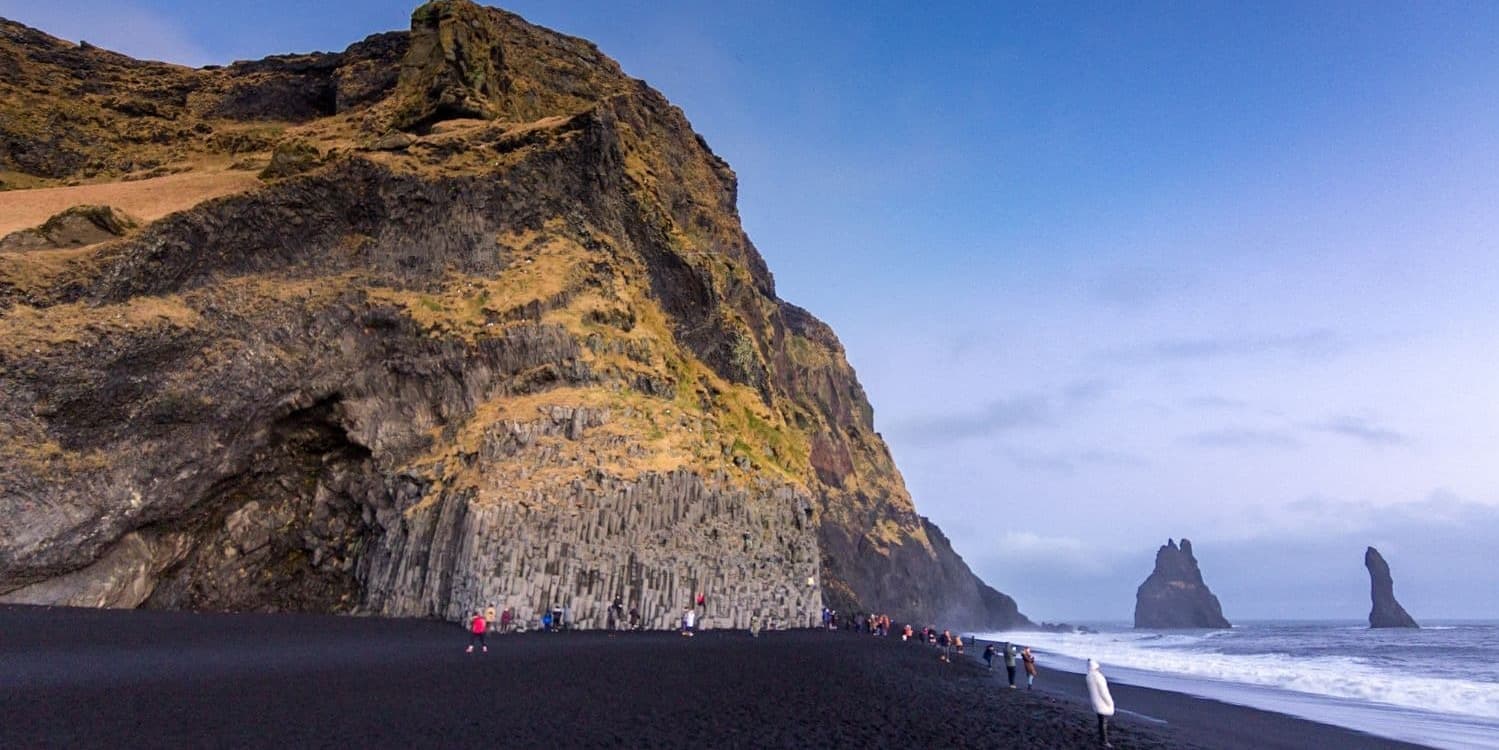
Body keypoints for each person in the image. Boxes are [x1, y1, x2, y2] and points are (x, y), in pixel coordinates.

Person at [1087, 659, 1116, 748]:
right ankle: (1104, 741)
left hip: (1096, 702)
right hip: (1102, 703)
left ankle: (1102, 739)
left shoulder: (1089, 676)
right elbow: (1104, 692)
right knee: (1103, 722)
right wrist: (1110, 702)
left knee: (1101, 721)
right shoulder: (1098, 677)